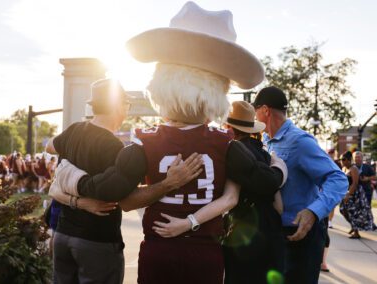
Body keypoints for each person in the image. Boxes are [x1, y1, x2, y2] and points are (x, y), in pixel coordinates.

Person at [53, 3, 287, 284]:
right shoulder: (226, 143)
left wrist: (70, 179)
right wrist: (279, 165)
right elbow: (265, 182)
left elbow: (118, 194)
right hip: (204, 252)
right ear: (215, 92)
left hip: (159, 249)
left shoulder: (145, 141)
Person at [46, 78, 201, 284]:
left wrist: (71, 159)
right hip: (96, 241)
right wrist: (168, 183)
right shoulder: (114, 147)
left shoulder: (74, 130)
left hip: (63, 235)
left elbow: (50, 147)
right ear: (118, 106)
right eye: (125, 105)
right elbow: (127, 200)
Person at [153, 101, 286, 284]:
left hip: (242, 229)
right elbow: (279, 205)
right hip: (271, 228)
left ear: (228, 126)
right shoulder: (265, 154)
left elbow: (231, 197)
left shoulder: (230, 152)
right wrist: (280, 169)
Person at [253, 86, 348, 284]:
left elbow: (338, 179)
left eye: (255, 111)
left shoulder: (300, 141)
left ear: (265, 110)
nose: (254, 117)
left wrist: (314, 211)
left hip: (302, 236)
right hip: (276, 235)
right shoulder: (264, 140)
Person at [339, 151, 374, 239]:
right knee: (343, 210)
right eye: (341, 159)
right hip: (347, 192)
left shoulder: (354, 168)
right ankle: (353, 226)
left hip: (355, 193)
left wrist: (349, 194)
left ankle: (356, 232)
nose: (342, 161)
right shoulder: (344, 168)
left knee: (353, 212)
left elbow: (355, 183)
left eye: (344, 159)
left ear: (349, 160)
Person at [353, 151, 376, 230]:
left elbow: (375, 176)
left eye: (359, 157)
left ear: (362, 158)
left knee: (367, 207)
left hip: (367, 190)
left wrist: (367, 178)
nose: (357, 159)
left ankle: (371, 223)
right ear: (353, 158)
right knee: (356, 208)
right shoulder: (352, 167)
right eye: (356, 157)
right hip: (356, 191)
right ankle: (357, 225)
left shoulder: (367, 167)